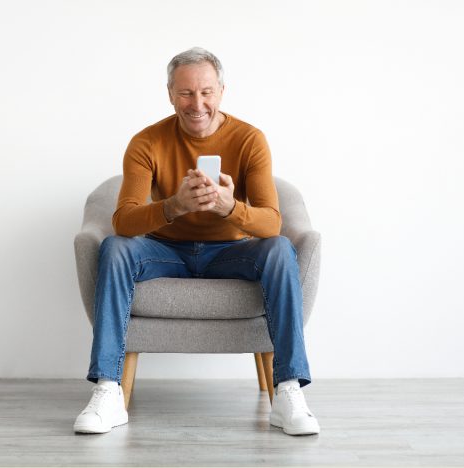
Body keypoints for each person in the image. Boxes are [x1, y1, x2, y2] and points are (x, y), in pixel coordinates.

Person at [73, 47, 320, 436]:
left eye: (206, 91)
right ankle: (108, 389)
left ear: (222, 90)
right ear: (170, 94)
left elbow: (272, 223)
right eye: (186, 93)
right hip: (164, 251)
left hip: (231, 252)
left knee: (280, 249)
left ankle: (288, 390)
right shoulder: (146, 142)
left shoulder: (250, 139)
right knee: (115, 248)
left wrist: (229, 208)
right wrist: (172, 207)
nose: (197, 103)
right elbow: (123, 221)